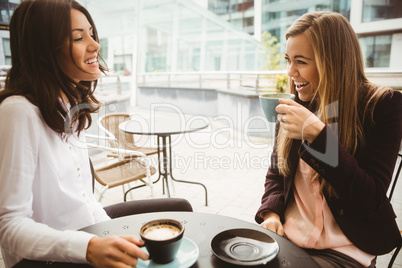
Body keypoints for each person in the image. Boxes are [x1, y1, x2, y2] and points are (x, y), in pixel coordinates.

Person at [0, 1, 192, 267]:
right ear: (44, 52)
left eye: (91, 33)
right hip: (54, 257)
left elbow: (85, 200)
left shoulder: (66, 105)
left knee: (180, 209)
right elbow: (9, 228)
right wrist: (90, 247)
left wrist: (110, 234)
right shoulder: (18, 112)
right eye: (79, 38)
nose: (95, 45)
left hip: (90, 231)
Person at [255, 11, 402, 268]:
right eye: (288, 60)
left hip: (346, 250)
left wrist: (320, 138)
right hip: (291, 240)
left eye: (300, 61)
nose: (291, 72)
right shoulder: (294, 105)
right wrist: (272, 213)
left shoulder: (382, 106)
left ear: (333, 61)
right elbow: (277, 173)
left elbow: (371, 199)